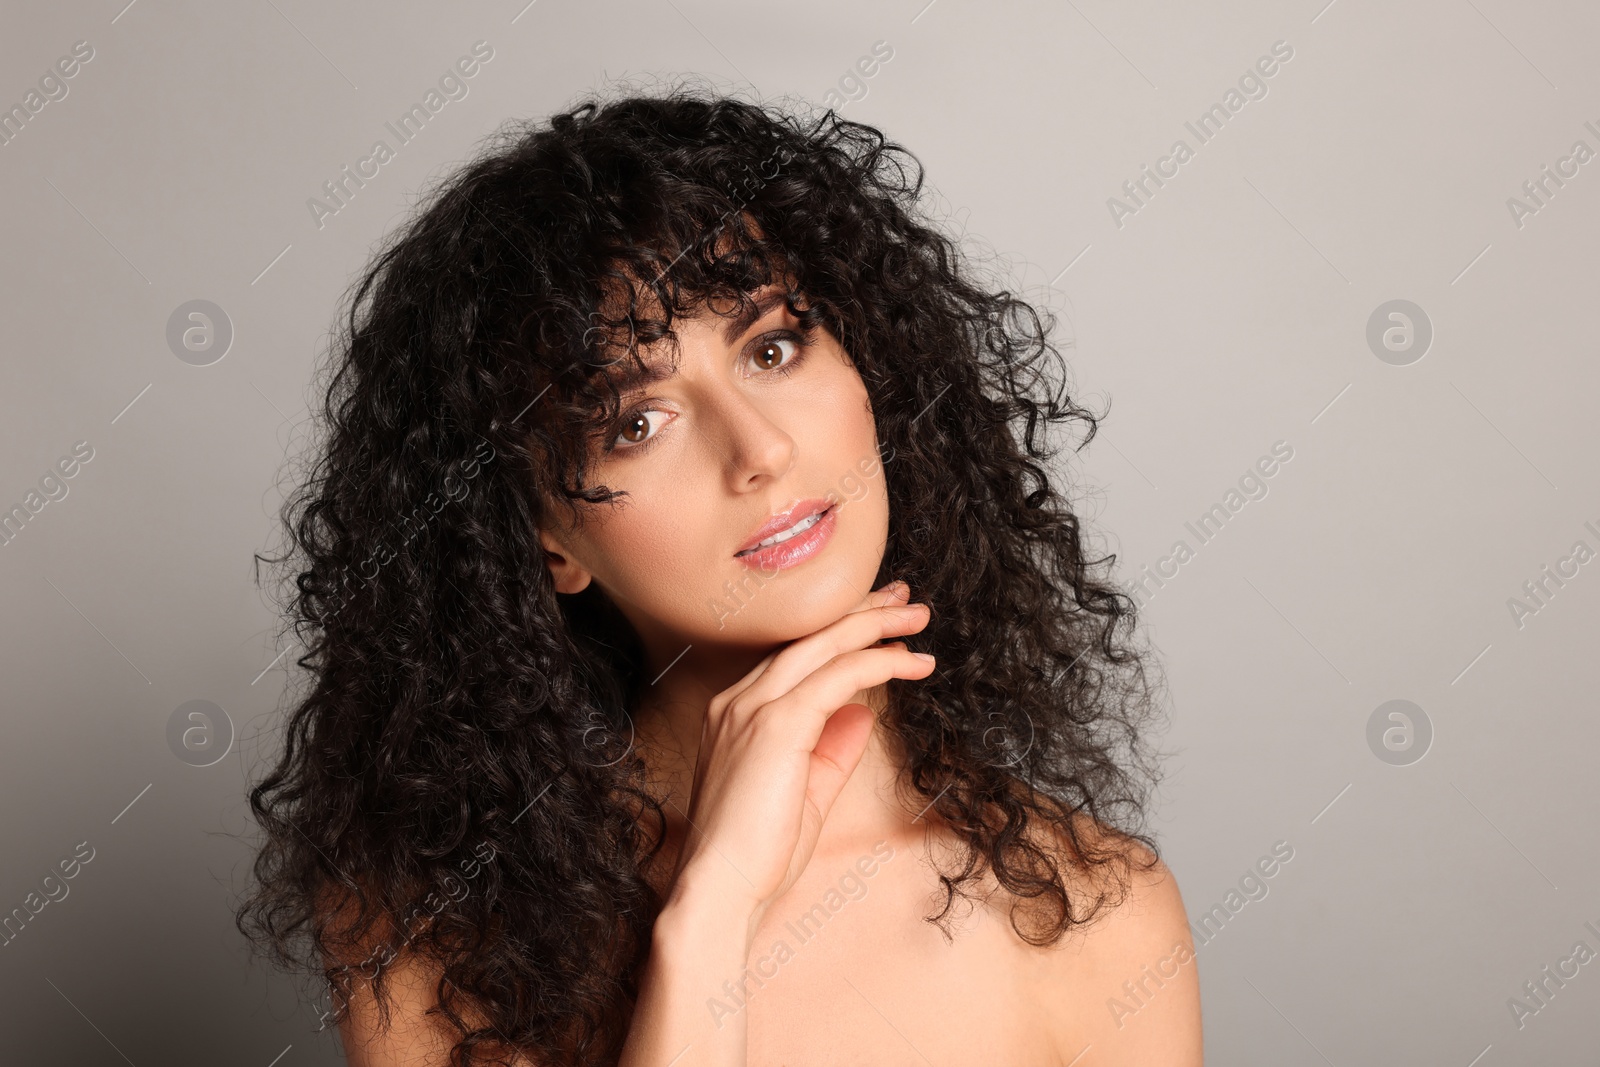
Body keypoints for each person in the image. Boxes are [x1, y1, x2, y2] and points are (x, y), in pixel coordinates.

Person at [238, 81, 1203, 1066]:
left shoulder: (1095, 913)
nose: (758, 453)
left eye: (773, 347)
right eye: (636, 422)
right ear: (546, 540)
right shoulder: (442, 923)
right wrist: (711, 912)